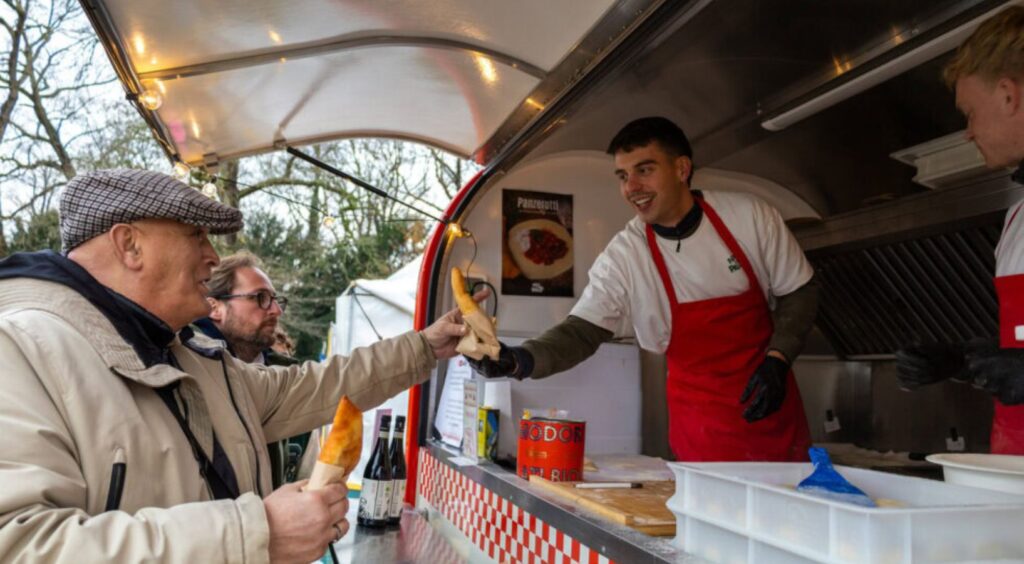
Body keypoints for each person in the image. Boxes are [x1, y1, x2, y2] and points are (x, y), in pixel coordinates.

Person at [0, 169, 474, 563]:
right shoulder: (20, 350)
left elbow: (320, 384)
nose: (212, 256)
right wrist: (256, 533)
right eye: (196, 235)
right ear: (129, 245)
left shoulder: (196, 362)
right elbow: (21, 546)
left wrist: (425, 347)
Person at [470, 117, 820, 462]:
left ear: (681, 169)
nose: (631, 187)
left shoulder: (749, 217)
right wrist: (520, 360)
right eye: (623, 176)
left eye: (644, 170)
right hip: (701, 436)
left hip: (775, 421)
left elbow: (799, 291)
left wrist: (778, 359)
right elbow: (581, 332)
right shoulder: (626, 255)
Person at [896, 7, 1024, 454]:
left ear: (1008, 95)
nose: (968, 133)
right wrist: (964, 360)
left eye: (970, 112)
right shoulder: (1017, 217)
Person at [193, 251, 305, 488]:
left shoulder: (283, 372)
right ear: (215, 308)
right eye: (260, 298)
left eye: (275, 299)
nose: (276, 310)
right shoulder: (193, 367)